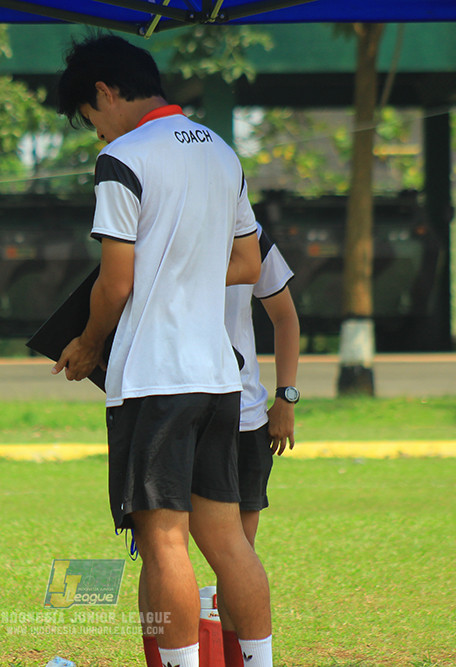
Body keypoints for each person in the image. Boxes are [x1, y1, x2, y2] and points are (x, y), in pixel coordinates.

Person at [52, 35, 262, 667]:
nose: (95, 134)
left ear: (105, 94)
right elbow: (247, 261)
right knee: (227, 541)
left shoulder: (124, 158)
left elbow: (116, 283)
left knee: (164, 538)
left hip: (156, 378)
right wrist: (185, 272)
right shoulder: (222, 152)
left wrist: (88, 347)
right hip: (220, 377)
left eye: (90, 119)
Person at [139, 224, 300, 667]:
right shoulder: (164, 219)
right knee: (163, 552)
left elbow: (285, 315)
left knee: (223, 555)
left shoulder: (244, 235)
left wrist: (286, 396)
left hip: (235, 415)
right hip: (180, 401)